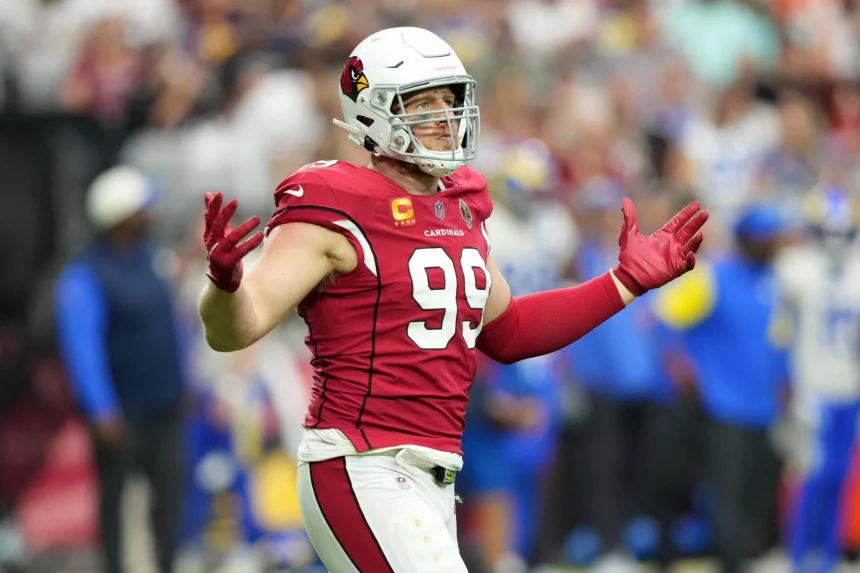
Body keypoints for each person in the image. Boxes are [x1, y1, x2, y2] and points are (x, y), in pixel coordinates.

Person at [197, 26, 709, 573]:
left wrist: (623, 283)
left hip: (432, 473)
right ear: (374, 112)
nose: (444, 116)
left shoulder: (460, 205)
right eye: (423, 103)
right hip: (361, 461)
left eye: (450, 99)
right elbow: (237, 328)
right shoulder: (332, 201)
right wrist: (224, 286)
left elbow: (510, 332)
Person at [55, 166, 188, 573]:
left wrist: (185, 381)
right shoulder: (85, 273)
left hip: (166, 405)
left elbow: (173, 324)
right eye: (142, 207)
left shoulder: (152, 257)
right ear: (122, 217)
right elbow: (82, 347)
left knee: (168, 502)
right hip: (122, 416)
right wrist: (101, 409)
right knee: (117, 505)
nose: (150, 212)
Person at [652, 203, 791, 573]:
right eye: (766, 237)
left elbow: (779, 342)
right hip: (723, 403)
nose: (774, 243)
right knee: (727, 491)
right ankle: (730, 560)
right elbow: (663, 317)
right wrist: (678, 363)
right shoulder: (714, 277)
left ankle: (748, 553)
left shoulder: (776, 282)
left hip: (765, 404)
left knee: (758, 490)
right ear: (746, 239)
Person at [777, 185, 860, 573]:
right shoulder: (795, 268)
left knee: (841, 476)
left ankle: (826, 557)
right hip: (813, 388)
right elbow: (778, 334)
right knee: (814, 474)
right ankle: (798, 557)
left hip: (850, 387)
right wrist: (788, 386)